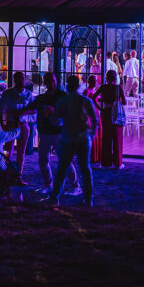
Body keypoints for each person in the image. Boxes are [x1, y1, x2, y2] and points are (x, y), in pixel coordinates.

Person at [24, 73, 80, 195]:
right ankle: (48, 184)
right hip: (44, 132)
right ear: (45, 82)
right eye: (49, 81)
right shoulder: (42, 98)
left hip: (58, 132)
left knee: (65, 160)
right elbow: (30, 107)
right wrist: (18, 112)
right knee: (42, 159)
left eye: (53, 81)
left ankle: (75, 186)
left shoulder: (62, 96)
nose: (51, 83)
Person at [48, 75, 99, 206]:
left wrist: (61, 122)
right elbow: (95, 120)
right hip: (83, 138)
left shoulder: (62, 102)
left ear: (67, 85)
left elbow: (53, 121)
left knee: (62, 169)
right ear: (78, 85)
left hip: (68, 138)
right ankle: (88, 199)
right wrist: (91, 135)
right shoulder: (85, 100)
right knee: (85, 169)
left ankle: (55, 197)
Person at [0, 73, 30, 181]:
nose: (21, 81)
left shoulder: (28, 94)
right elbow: (0, 110)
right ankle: (5, 173)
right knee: (7, 150)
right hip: (10, 124)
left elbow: (35, 109)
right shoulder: (7, 93)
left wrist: (24, 111)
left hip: (23, 124)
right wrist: (3, 125)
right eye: (18, 78)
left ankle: (18, 175)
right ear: (14, 80)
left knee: (21, 151)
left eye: (22, 78)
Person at [97, 70, 126, 170]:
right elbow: (125, 102)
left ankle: (106, 163)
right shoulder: (118, 88)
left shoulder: (103, 87)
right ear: (115, 78)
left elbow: (93, 97)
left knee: (106, 138)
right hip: (116, 114)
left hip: (105, 113)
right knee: (117, 139)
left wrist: (100, 108)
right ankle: (118, 163)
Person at [84, 75, 103, 165]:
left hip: (95, 112)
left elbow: (96, 98)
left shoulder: (93, 91)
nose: (96, 82)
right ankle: (93, 156)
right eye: (95, 81)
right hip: (91, 113)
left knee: (98, 132)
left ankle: (97, 156)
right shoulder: (87, 91)